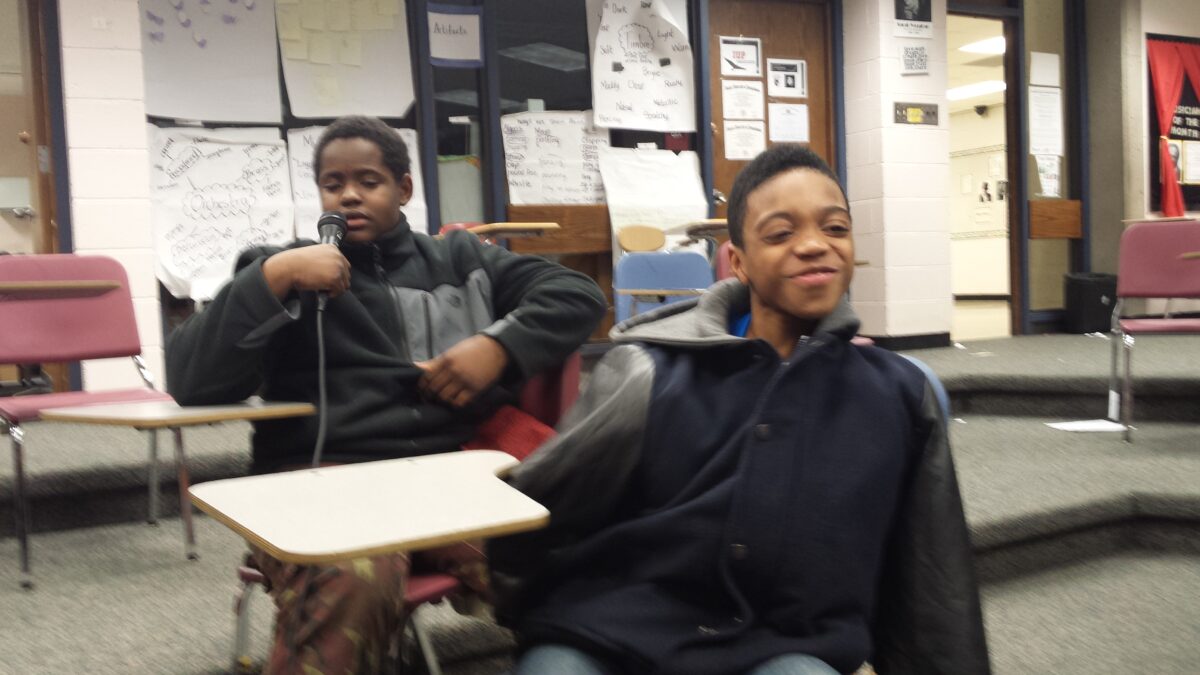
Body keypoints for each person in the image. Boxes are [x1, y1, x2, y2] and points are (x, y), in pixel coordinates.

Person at [489, 144, 990, 675]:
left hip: (787, 642)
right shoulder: (648, 370)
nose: (815, 245)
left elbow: (933, 578)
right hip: (615, 628)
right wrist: (530, 611)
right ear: (740, 263)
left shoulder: (899, 394)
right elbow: (544, 509)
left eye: (836, 228)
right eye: (781, 234)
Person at [166, 115, 606, 674]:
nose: (349, 194)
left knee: (571, 554)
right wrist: (274, 276)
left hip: (447, 477)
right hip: (324, 479)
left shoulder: (459, 260)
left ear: (403, 188)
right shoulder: (281, 270)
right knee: (352, 578)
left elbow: (575, 293)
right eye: (333, 183)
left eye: (368, 181)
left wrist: (498, 347)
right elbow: (191, 381)